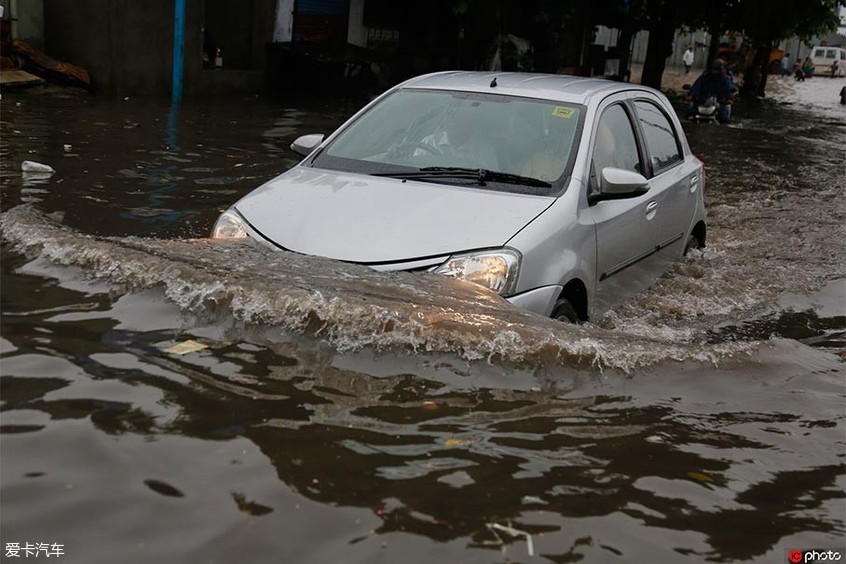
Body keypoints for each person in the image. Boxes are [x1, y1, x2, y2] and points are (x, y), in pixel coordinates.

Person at [686, 58, 735, 124]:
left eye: (716, 70)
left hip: (719, 103)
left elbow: (729, 89)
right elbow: (696, 86)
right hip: (703, 102)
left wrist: (729, 98)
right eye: (713, 69)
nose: (714, 72)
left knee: (725, 116)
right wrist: (691, 95)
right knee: (690, 111)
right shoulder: (705, 77)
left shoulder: (725, 79)